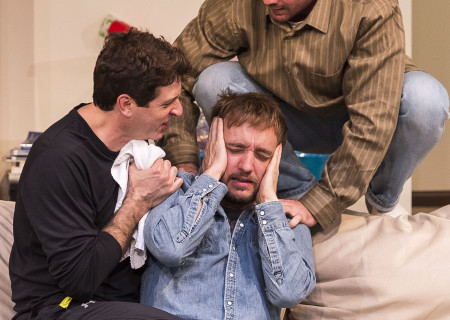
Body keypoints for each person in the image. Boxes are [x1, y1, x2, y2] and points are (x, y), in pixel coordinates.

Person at [158, 0, 450, 231]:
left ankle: (382, 202)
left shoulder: (370, 8)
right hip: (284, 122)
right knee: (213, 80)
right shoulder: (237, 4)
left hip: (367, 119)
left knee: (427, 99)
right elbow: (178, 77)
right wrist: (185, 160)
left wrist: (323, 203)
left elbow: (372, 122)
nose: (268, 0)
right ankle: (298, 191)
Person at [9, 29, 189, 320]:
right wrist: (138, 200)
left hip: (124, 298)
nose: (179, 111)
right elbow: (79, 280)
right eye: (167, 104)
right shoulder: (59, 159)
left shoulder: (138, 147)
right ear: (126, 104)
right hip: (61, 306)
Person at [140, 91, 316, 320]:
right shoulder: (173, 190)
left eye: (263, 155)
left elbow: (288, 294)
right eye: (235, 149)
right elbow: (171, 249)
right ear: (214, 144)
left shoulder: (287, 220)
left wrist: (270, 203)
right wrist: (212, 173)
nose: (246, 166)